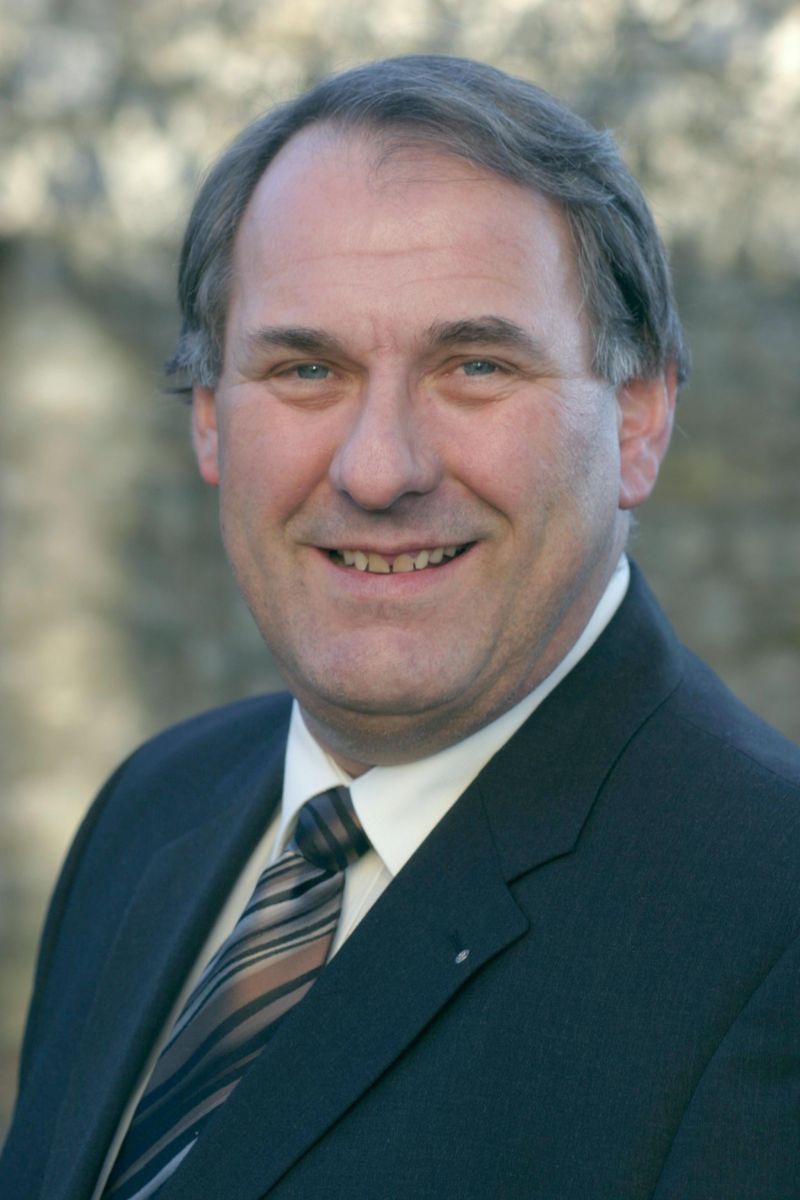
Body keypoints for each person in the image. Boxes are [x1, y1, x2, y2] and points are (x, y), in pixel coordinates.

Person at [2, 54, 799, 1200]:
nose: (378, 470)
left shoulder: (765, 927)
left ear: (637, 418)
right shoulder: (151, 813)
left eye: (473, 365)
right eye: (305, 368)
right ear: (210, 418)